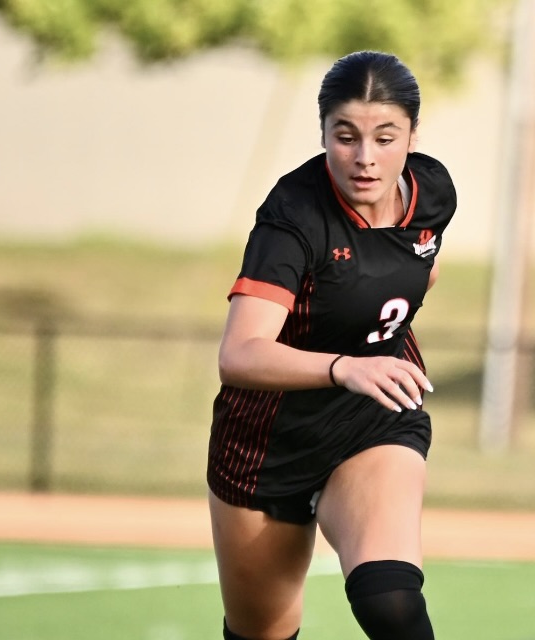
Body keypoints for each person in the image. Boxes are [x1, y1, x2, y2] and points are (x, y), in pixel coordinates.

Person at [207, 50, 456, 640]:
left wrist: (380, 348)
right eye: (345, 137)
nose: (365, 157)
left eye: (385, 137)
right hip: (269, 441)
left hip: (371, 420)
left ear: (412, 137)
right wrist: (345, 364)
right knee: (261, 633)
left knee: (389, 602)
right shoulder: (293, 218)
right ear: (322, 134)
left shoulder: (433, 192)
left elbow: (418, 269)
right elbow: (239, 352)